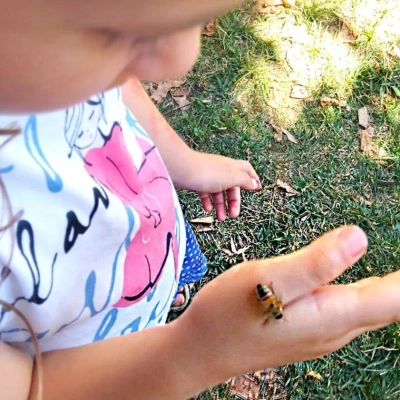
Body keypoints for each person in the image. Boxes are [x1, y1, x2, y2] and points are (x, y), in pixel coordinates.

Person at [0, 1, 399, 399]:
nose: (181, 59)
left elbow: (117, 87)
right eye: (108, 32)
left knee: (163, 269)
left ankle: (162, 294)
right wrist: (194, 352)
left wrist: (184, 162)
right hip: (100, 364)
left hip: (148, 221)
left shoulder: (65, 63)